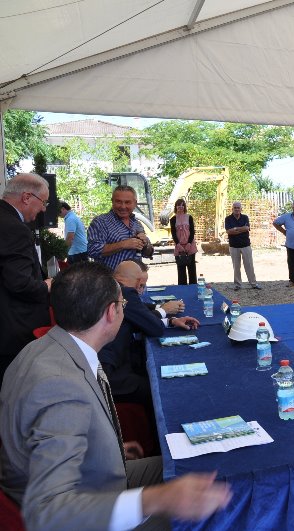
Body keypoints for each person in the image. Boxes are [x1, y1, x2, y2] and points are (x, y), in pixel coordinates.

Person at [0, 262, 231, 530]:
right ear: (112, 312)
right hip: (82, 510)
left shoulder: (45, 348)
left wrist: (102, 445)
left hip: (91, 474)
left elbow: (48, 439)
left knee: (196, 470)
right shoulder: (60, 387)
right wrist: (157, 499)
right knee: (215, 514)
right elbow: (50, 512)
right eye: (123, 303)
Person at [100, 261, 199, 405]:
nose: (141, 289)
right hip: (109, 373)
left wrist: (171, 321)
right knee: (159, 388)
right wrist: (164, 311)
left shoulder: (108, 288)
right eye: (141, 285)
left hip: (108, 362)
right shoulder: (124, 292)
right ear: (139, 281)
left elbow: (135, 314)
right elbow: (154, 328)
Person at [0, 173, 52, 380]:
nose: (44, 209)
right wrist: (47, 285)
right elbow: (20, 284)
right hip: (13, 331)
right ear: (27, 197)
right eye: (44, 202)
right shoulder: (15, 229)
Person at [88, 185, 153, 270]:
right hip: (110, 277)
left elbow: (147, 254)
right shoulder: (100, 222)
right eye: (118, 202)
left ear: (135, 203)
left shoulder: (137, 224)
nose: (123, 206)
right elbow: (92, 250)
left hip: (135, 277)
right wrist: (123, 244)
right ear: (112, 201)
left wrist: (146, 243)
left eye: (127, 202)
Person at [224, 201, 261, 290]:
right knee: (236, 266)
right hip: (233, 246)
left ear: (241, 209)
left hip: (245, 245)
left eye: (238, 208)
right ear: (232, 209)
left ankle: (253, 283)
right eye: (235, 208)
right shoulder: (228, 219)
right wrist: (241, 229)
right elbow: (229, 231)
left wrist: (235, 229)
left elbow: (247, 228)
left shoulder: (245, 217)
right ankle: (238, 285)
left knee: (249, 265)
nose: (237, 209)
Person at [169, 198, 197, 285]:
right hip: (179, 246)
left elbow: (192, 231)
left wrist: (189, 243)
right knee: (181, 271)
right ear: (176, 207)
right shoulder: (173, 219)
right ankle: (182, 289)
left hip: (190, 245)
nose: (180, 207)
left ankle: (193, 288)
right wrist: (178, 245)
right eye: (178, 205)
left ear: (184, 207)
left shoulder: (189, 217)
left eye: (182, 205)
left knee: (192, 270)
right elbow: (173, 233)